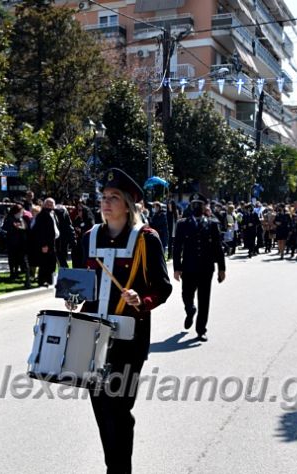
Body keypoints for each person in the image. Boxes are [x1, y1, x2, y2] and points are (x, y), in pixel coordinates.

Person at [73, 168, 172, 473]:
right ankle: (113, 466)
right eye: (104, 197)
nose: (106, 202)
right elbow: (80, 281)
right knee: (101, 408)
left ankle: (118, 469)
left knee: (117, 407)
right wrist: (72, 295)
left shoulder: (146, 239)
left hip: (128, 339)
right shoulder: (89, 237)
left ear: (128, 203)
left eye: (114, 197)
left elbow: (162, 287)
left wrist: (141, 301)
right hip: (89, 337)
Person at [172, 194, 226, 340]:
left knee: (204, 299)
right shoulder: (182, 224)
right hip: (188, 267)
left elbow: (217, 247)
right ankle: (190, 310)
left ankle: (201, 329)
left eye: (199, 204)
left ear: (204, 207)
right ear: (191, 206)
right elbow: (177, 247)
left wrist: (222, 268)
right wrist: (177, 268)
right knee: (186, 294)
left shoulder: (212, 224)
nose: (196, 207)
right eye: (194, 204)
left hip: (206, 268)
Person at [31, 197, 59, 287]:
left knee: (51, 263)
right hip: (45, 243)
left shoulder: (53, 214)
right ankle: (42, 281)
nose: (50, 206)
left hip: (52, 242)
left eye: (51, 204)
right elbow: (40, 232)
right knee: (44, 263)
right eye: (48, 204)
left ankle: (49, 280)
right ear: (44, 205)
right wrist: (43, 244)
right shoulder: (42, 215)